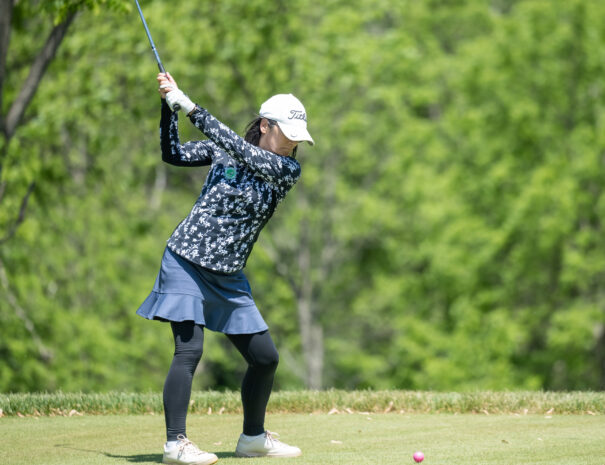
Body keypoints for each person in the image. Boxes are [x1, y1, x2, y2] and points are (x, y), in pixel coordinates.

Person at [136, 72, 314, 465]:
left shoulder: (286, 169)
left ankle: (253, 438)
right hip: (185, 260)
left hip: (228, 275)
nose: (294, 142)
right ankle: (175, 444)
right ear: (265, 125)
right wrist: (169, 109)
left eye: (298, 136)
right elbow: (173, 154)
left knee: (265, 358)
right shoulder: (226, 150)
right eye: (288, 133)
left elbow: (238, 148)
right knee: (189, 350)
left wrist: (191, 107)